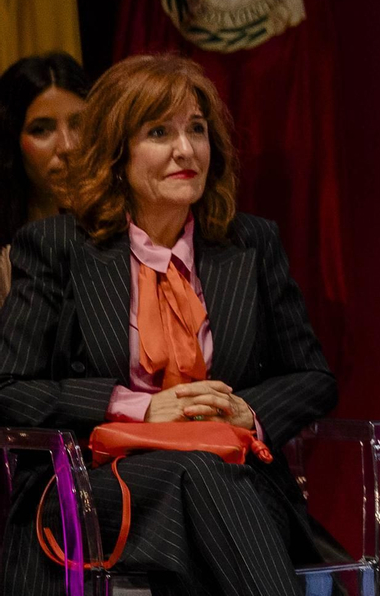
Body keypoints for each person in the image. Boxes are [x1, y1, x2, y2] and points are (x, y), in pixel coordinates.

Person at [0, 54, 338, 596]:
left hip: (231, 479)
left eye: (197, 130)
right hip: (96, 486)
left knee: (206, 487)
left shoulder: (249, 244)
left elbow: (313, 376)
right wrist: (136, 407)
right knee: (197, 476)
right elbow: (11, 390)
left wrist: (245, 410)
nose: (186, 150)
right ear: (117, 152)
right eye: (159, 132)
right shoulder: (58, 249)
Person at [0, 51, 91, 307]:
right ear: (11, 142)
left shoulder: (124, 231)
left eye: (79, 124)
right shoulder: (6, 261)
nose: (68, 146)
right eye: (42, 129)